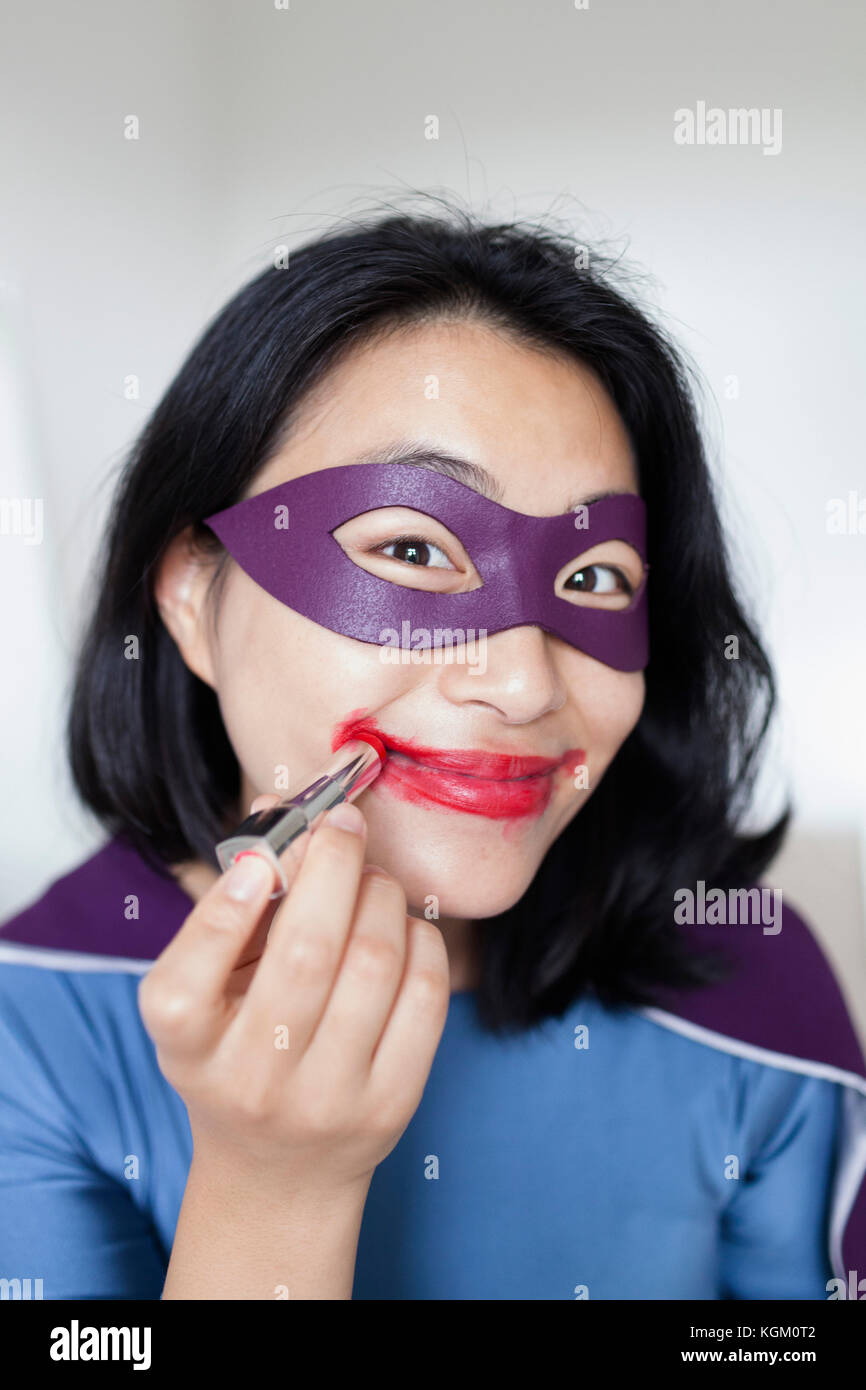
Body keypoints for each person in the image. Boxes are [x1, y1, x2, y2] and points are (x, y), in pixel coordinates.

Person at [1, 198, 864, 1300]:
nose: (520, 680)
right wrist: (273, 1194)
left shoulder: (756, 989)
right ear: (189, 592)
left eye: (594, 577)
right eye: (411, 547)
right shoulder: (25, 1029)